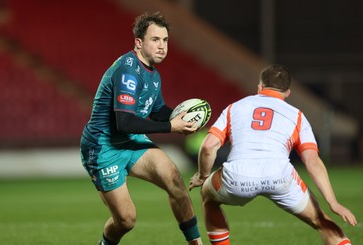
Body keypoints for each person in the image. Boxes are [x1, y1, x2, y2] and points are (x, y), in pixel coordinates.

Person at [189, 64, 358, 245]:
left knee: (208, 196)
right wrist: (333, 202)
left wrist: (202, 176)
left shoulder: (234, 108)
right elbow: (312, 161)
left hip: (239, 175)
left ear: (260, 87)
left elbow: (208, 147)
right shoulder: (297, 116)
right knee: (322, 222)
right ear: (288, 92)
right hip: (279, 176)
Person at [80, 11, 203, 245]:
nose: (162, 46)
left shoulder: (152, 74)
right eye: (155, 40)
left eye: (165, 40)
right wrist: (171, 127)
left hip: (130, 142)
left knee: (175, 181)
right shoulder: (128, 71)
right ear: (139, 42)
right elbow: (124, 122)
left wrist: (184, 117)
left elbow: (156, 110)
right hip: (103, 147)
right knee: (126, 220)